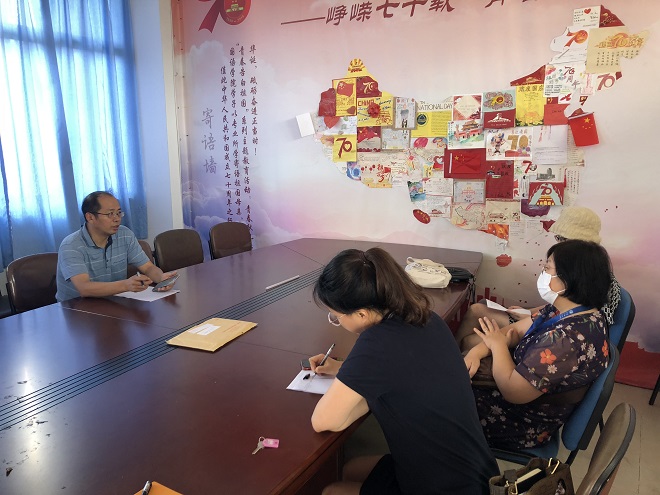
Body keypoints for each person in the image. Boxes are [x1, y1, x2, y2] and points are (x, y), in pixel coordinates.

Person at [309, 248, 498, 495]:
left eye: (336, 317)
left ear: (362, 314)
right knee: (352, 469)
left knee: (332, 491)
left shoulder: (377, 343)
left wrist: (354, 379)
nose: (338, 323)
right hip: (476, 473)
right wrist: (345, 370)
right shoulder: (426, 318)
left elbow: (324, 421)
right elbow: (402, 372)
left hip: (446, 488)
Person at [463, 240, 611, 449]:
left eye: (547, 268)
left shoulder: (564, 341)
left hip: (518, 421)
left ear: (568, 280)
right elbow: (515, 331)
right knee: (466, 351)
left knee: (434, 395)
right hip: (522, 390)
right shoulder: (572, 311)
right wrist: (476, 352)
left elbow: (512, 392)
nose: (542, 273)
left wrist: (497, 346)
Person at [454, 206, 621, 351]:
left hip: (547, 329)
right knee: (477, 311)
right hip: (544, 320)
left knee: (471, 339)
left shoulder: (586, 277)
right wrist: (530, 312)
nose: (558, 244)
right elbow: (560, 302)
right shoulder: (585, 268)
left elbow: (572, 313)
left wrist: (532, 317)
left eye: (562, 239)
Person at [56, 191, 177, 301]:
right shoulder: (71, 245)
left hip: (112, 301)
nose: (117, 219)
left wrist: (161, 278)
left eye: (119, 213)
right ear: (90, 217)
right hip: (76, 308)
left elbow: (148, 268)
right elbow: (84, 288)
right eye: (110, 214)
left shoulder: (124, 234)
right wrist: (126, 285)